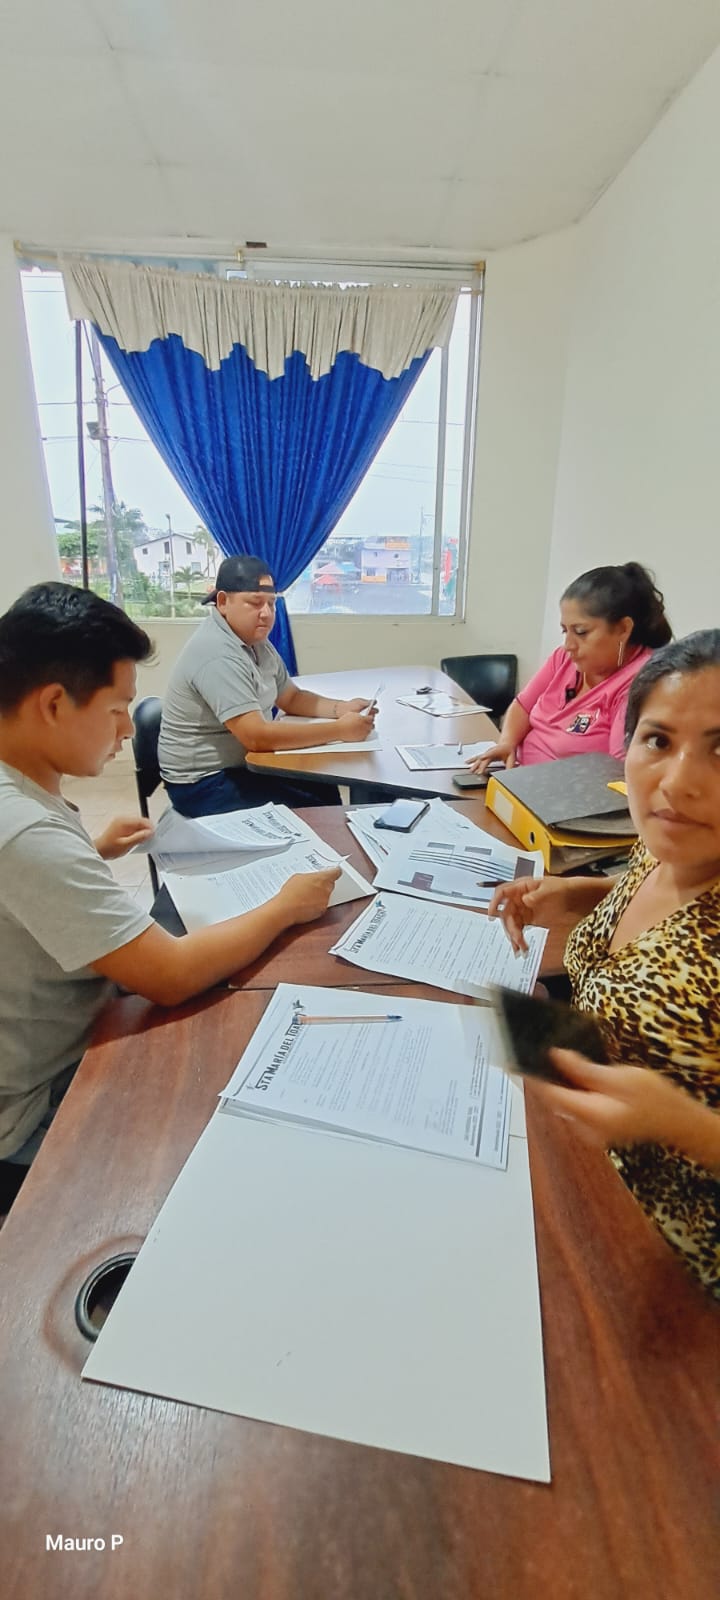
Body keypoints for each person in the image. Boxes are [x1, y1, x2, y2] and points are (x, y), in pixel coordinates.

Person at [0, 583, 339, 1169]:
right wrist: (286, 905)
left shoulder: (22, 796)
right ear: (53, 704)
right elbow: (171, 976)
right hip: (37, 1100)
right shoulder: (26, 830)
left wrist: (90, 851)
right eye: (116, 710)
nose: (127, 731)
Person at [488, 631, 720, 1296]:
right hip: (584, 1165)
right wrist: (574, 893)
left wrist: (686, 1125)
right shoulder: (668, 842)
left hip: (671, 1254)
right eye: (658, 740)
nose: (676, 782)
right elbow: (645, 893)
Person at [159, 554, 377, 817]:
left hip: (242, 767)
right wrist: (340, 730)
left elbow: (291, 698)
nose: (266, 613)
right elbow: (256, 737)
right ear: (223, 602)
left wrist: (340, 709)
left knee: (320, 785)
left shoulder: (255, 641)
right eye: (255, 603)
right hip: (204, 782)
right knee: (314, 803)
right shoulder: (217, 652)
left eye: (271, 604)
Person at [467, 561, 672, 774]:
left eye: (581, 632)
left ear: (623, 629)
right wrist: (507, 743)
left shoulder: (638, 682)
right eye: (565, 631)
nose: (568, 645)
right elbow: (523, 706)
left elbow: (619, 772)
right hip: (519, 777)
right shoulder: (564, 658)